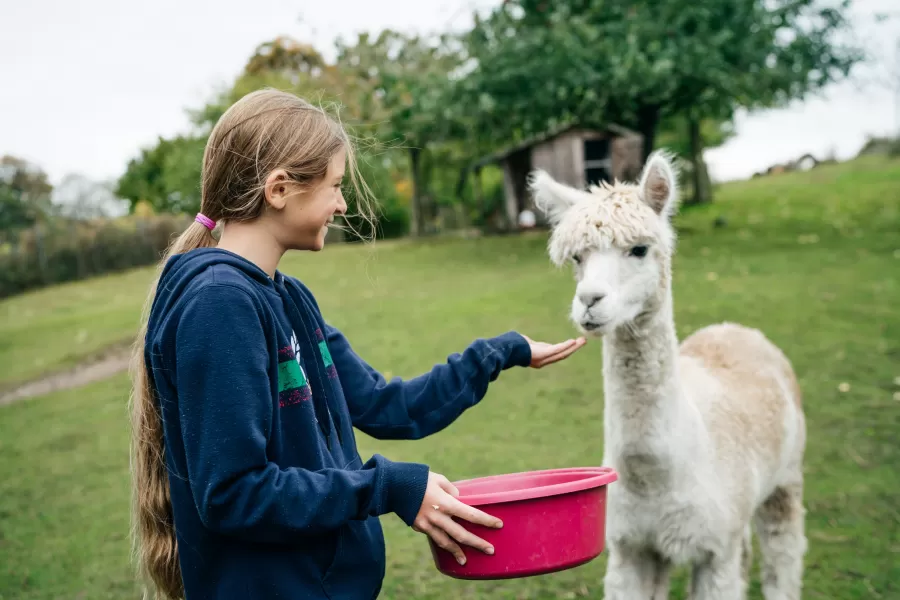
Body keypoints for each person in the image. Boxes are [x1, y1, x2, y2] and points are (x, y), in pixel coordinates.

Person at [129, 89, 586, 600]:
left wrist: (501, 352)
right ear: (279, 188)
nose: (342, 204)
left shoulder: (290, 298)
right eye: (334, 186)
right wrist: (385, 488)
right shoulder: (219, 305)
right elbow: (234, 493)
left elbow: (390, 408)